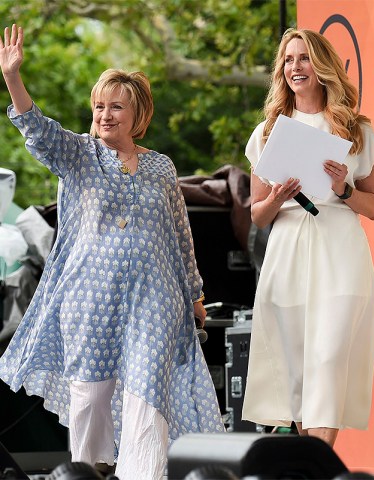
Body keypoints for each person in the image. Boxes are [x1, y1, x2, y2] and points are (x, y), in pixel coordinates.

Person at [0, 24, 224, 479]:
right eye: (99, 106)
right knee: (91, 399)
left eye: (115, 106)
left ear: (137, 113)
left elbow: (181, 235)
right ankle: (88, 472)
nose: (105, 114)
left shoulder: (161, 167)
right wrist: (13, 78)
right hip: (89, 300)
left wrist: (195, 294)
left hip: (155, 300)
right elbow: (38, 131)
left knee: (147, 395)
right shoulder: (78, 154)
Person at [242, 28, 374, 448]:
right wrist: (278, 196)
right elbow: (257, 213)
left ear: (321, 67)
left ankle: (317, 462)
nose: (295, 67)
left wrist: (343, 189)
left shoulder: (355, 129)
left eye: (303, 58)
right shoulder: (267, 132)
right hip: (287, 255)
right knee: (300, 373)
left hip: (340, 255)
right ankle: (312, 466)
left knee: (329, 359)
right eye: (288, 60)